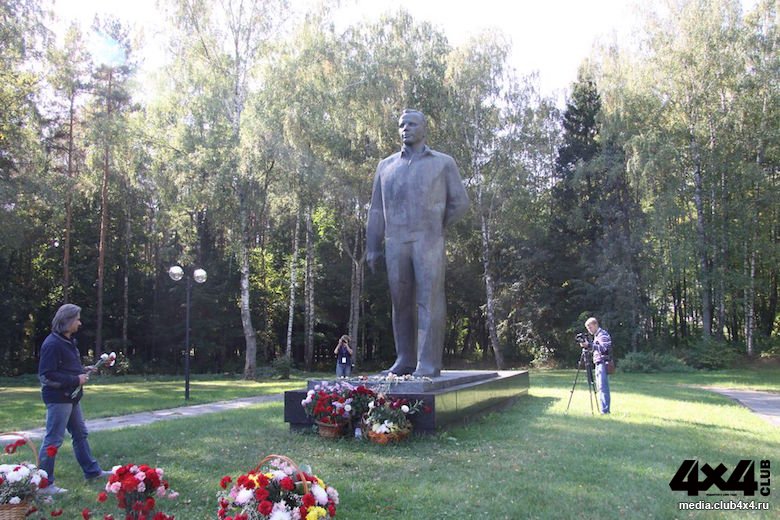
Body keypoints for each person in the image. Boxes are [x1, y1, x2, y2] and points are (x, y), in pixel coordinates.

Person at [366, 109, 470, 377]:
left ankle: (428, 363)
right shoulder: (386, 166)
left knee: (429, 300)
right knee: (400, 301)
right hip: (395, 242)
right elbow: (376, 210)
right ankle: (405, 359)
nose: (406, 129)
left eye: (412, 124)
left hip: (428, 241)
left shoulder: (443, 163)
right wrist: (373, 246)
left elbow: (460, 203)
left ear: (424, 128)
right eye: (402, 125)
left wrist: (435, 225)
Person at [37, 304, 111, 493]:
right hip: (58, 398)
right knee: (53, 440)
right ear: (67, 320)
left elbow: (65, 368)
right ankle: (44, 484)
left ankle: (92, 472)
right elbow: (46, 375)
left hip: (72, 397)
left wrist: (84, 370)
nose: (80, 323)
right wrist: (75, 379)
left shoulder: (67, 342)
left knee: (80, 434)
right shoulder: (52, 344)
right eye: (77, 319)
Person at [578, 317, 612, 414]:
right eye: (588, 328)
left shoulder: (602, 334)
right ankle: (603, 409)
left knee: (603, 387)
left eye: (590, 327)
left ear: (596, 324)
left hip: (603, 363)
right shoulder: (597, 335)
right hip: (598, 363)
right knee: (599, 387)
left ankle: (605, 411)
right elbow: (596, 348)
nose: (589, 330)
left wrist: (589, 345)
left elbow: (604, 348)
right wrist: (588, 346)